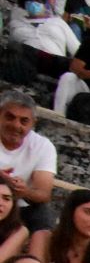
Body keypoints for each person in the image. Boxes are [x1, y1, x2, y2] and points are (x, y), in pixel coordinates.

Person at [0, 91, 55, 233]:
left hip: (18, 207)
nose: (16, 125)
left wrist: (24, 192)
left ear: (33, 123)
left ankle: (35, 255)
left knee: (42, 214)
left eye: (24, 121)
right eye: (10, 117)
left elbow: (43, 193)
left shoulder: (43, 146)